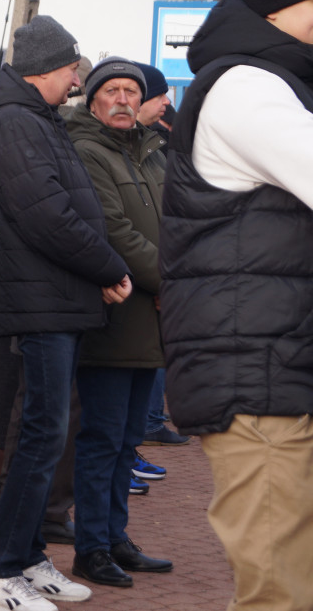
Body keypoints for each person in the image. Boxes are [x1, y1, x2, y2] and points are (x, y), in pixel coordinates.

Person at [160, 0, 313, 610]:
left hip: (279, 367)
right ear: (286, 6)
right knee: (281, 589)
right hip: (260, 383)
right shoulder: (248, 88)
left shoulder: (273, 81)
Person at [0, 14, 131, 611]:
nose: (76, 79)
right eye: (71, 68)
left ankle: (29, 556)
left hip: (56, 299)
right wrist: (108, 268)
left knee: (48, 434)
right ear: (43, 68)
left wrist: (96, 272)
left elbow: (58, 209)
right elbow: (48, 216)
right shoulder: (16, 124)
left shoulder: (32, 119)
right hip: (41, 303)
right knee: (41, 437)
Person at [65, 57, 174, 587]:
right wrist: (170, 280)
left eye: (132, 90)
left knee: (128, 440)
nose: (124, 99)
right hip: (114, 314)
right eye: (113, 90)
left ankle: (115, 537)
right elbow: (113, 231)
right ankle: (92, 547)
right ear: (93, 99)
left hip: (151, 317)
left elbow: (177, 219)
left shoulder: (151, 152)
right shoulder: (87, 150)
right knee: (102, 439)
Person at [133, 64, 190, 449]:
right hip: (134, 280)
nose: (167, 103)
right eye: (160, 95)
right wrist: (161, 274)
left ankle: (144, 426)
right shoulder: (121, 150)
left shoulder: (153, 149)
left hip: (155, 272)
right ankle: (145, 425)